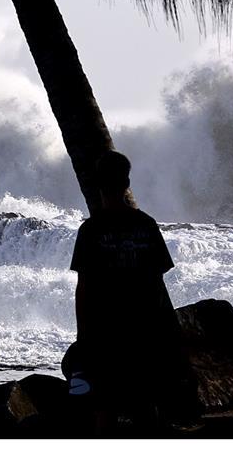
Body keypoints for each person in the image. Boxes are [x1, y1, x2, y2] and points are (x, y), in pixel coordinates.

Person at [69, 150, 193, 433]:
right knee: (145, 404)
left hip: (104, 331)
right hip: (145, 330)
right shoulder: (146, 225)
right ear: (127, 183)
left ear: (98, 185)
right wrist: (170, 331)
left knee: (103, 405)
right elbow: (157, 282)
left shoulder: (90, 230)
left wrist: (82, 337)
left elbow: (84, 287)